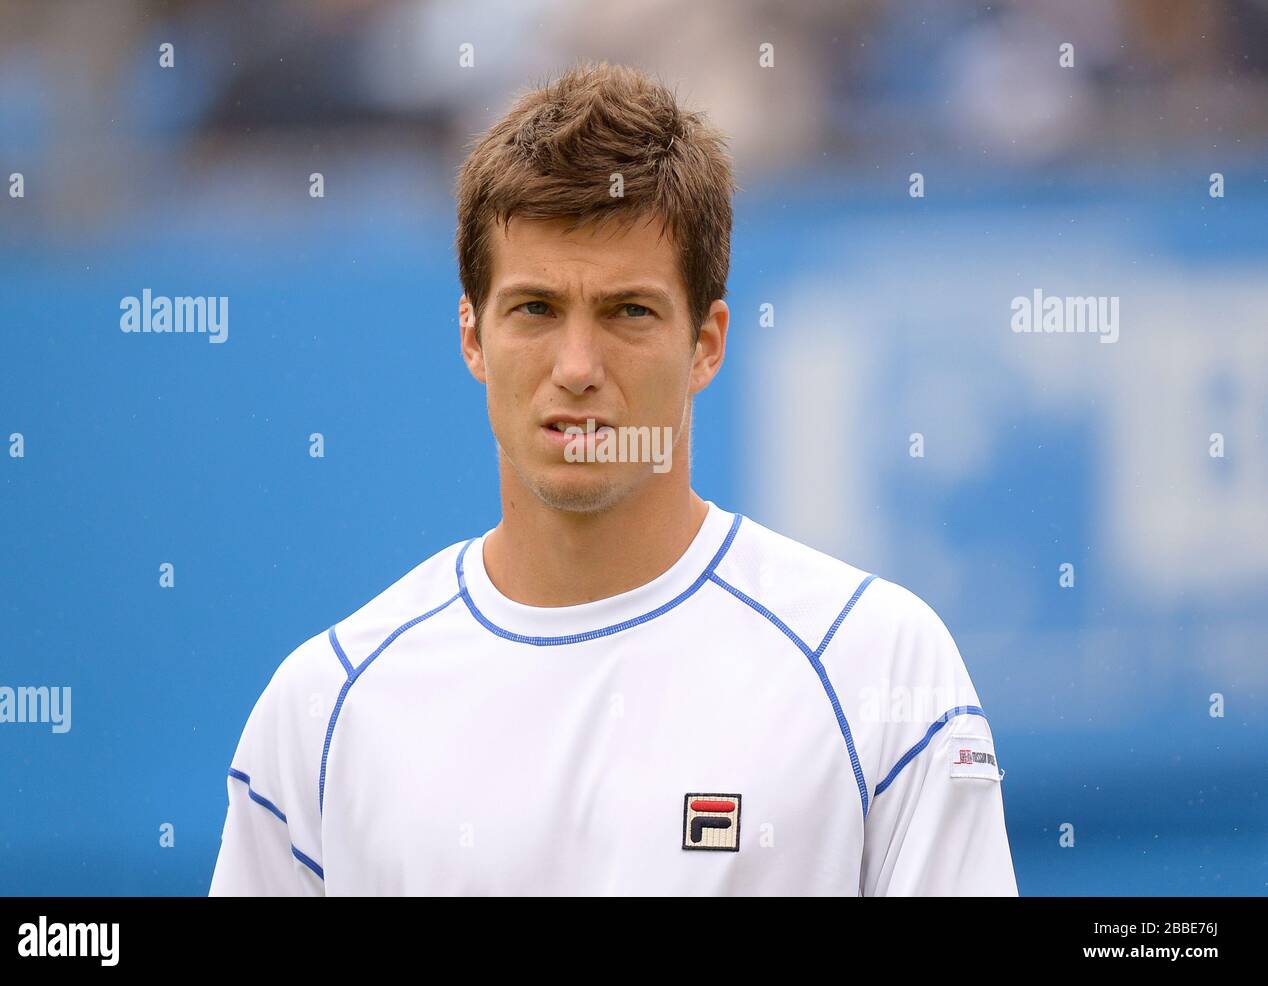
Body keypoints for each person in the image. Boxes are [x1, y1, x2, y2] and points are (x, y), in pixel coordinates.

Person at [208, 60, 1018, 896]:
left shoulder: (879, 668)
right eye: (536, 310)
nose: (578, 367)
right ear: (472, 337)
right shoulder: (325, 708)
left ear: (707, 342)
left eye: (629, 311)